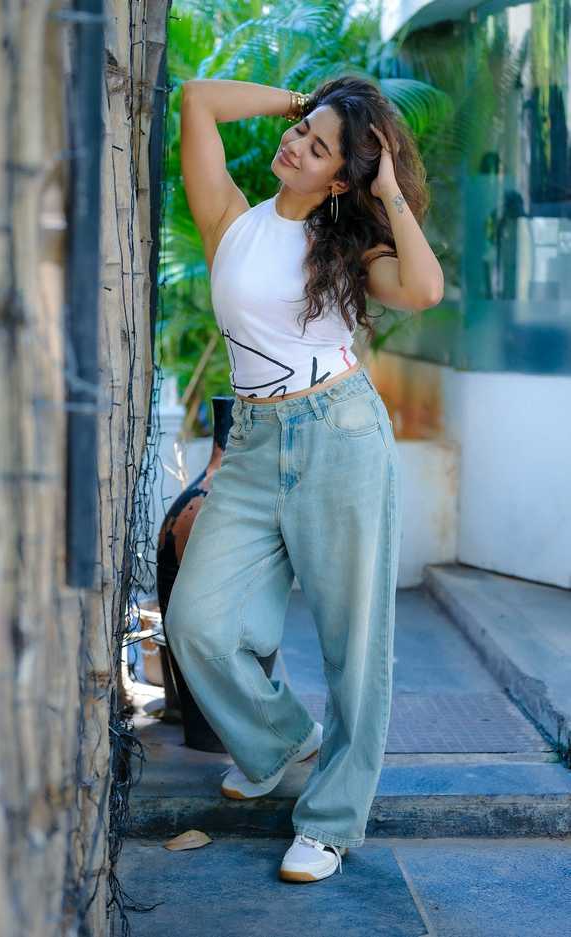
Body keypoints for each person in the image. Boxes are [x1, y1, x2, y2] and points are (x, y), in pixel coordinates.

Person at [164, 74, 443, 884]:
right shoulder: (231, 220)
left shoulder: (351, 250)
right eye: (300, 134)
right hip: (254, 444)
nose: (295, 147)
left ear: (341, 180)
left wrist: (386, 188)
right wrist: (311, 105)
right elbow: (198, 99)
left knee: (355, 643)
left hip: (340, 435)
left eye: (318, 149)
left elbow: (425, 288)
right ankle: (283, 740)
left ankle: (330, 821)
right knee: (196, 621)